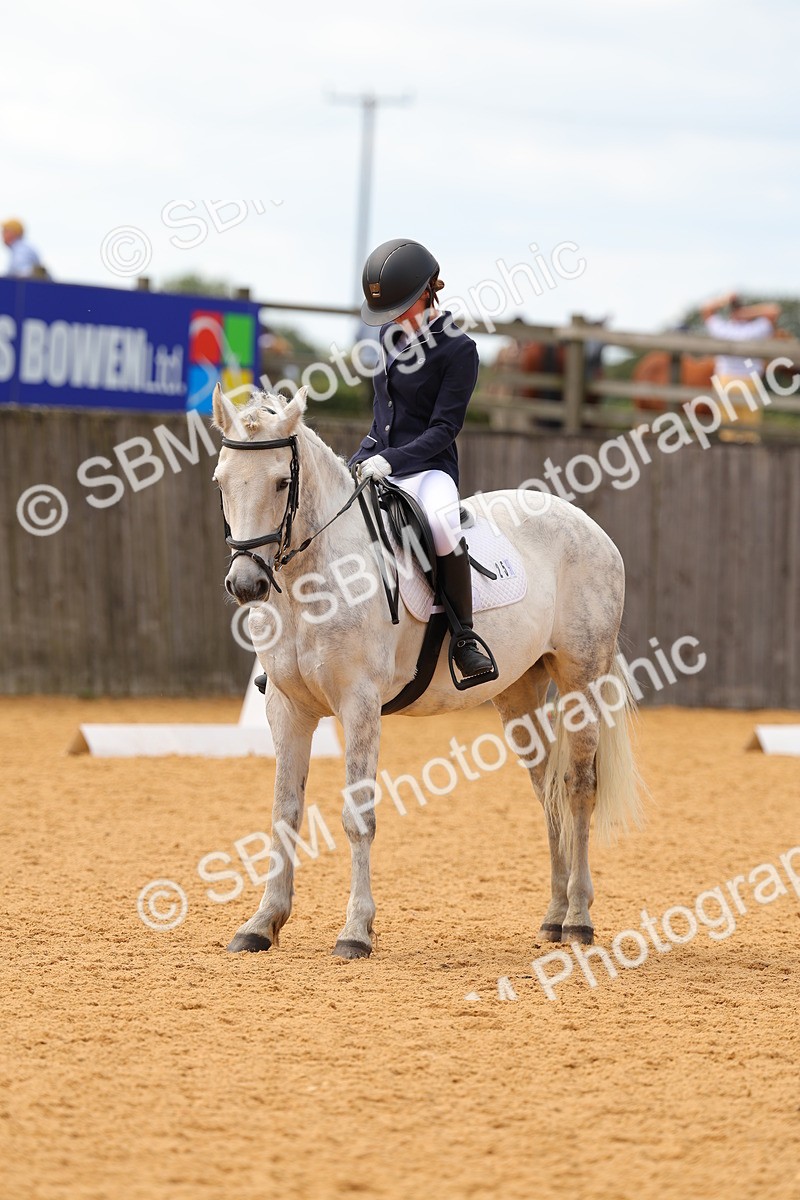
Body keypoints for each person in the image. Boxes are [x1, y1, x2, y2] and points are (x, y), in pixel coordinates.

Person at [349, 237, 495, 684]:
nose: (392, 319)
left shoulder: (458, 350)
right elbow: (382, 418)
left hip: (430, 469)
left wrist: (392, 461)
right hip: (382, 461)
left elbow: (443, 430)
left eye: (400, 307)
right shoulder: (387, 337)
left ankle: (464, 635)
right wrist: (357, 460)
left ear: (427, 294)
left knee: (442, 525)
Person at [701, 292, 781, 442]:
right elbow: (774, 310)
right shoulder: (756, 329)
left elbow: (706, 310)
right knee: (751, 431)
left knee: (727, 431)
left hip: (724, 381)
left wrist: (724, 299)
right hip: (750, 382)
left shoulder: (722, 329)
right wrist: (747, 313)